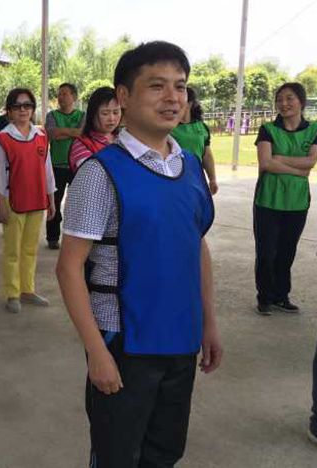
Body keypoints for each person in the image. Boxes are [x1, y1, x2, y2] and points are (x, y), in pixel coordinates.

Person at [56, 41, 222, 467]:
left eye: (180, 86)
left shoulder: (189, 167)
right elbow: (69, 267)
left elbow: (197, 246)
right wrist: (96, 351)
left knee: (164, 452)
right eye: (157, 86)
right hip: (124, 343)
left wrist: (209, 322)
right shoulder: (100, 172)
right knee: (117, 455)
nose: (173, 98)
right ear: (124, 96)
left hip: (181, 339)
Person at [253, 82, 317, 315]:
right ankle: (265, 297)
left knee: (286, 251)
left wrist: (279, 158)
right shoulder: (268, 129)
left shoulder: (314, 129)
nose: (284, 103)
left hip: (297, 202)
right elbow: (266, 163)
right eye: (279, 99)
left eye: (290, 98)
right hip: (268, 200)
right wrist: (299, 171)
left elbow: (311, 161)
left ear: (301, 101)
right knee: (266, 252)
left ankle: (281, 296)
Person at [0, 88, 56, 313]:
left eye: (27, 105)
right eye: (17, 106)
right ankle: (12, 293)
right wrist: (1, 205)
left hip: (37, 200)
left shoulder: (41, 136)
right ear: (9, 111)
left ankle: (27, 290)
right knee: (13, 250)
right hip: (13, 201)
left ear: (33, 109)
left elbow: (47, 170)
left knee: (30, 248)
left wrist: (51, 199)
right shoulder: (3, 139)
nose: (23, 110)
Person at [45, 83, 85, 249]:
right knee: (53, 202)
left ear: (74, 97)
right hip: (56, 165)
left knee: (78, 203)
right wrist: (73, 132)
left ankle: (77, 238)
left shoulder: (82, 115)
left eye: (65, 94)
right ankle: (52, 237)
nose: (61, 97)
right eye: (59, 94)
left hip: (77, 166)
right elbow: (52, 134)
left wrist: (62, 131)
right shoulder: (51, 115)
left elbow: (83, 134)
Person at [171, 87, 218, 194]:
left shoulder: (201, 127)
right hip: (174, 178)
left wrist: (212, 179)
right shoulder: (168, 127)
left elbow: (207, 155)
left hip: (196, 178)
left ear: (190, 103)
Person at [69, 86, 121, 172]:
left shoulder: (123, 138)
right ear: (92, 114)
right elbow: (90, 174)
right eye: (105, 113)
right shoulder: (82, 144)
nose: (112, 118)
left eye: (116, 112)